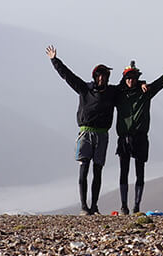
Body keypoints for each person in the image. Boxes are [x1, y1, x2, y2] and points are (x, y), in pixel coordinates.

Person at [48, 45, 121, 214]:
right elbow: (68, 76)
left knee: (97, 170)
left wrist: (140, 81)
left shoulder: (112, 92)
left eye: (104, 75)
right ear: (95, 77)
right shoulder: (84, 89)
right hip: (86, 133)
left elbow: (128, 84)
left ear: (108, 77)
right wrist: (55, 60)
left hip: (102, 135)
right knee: (84, 168)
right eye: (99, 75)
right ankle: (83, 206)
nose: (102, 77)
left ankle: (94, 206)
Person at [114, 51, 163, 214]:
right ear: (124, 79)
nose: (131, 80)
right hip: (124, 138)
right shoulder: (118, 94)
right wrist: (140, 82)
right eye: (128, 78)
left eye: (133, 78)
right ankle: (124, 206)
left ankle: (136, 206)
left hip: (140, 138)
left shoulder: (145, 92)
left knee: (140, 173)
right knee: (124, 172)